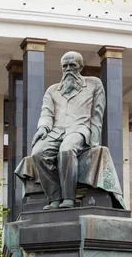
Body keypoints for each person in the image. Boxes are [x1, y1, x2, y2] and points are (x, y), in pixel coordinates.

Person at [31, 51, 105, 209]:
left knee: (66, 149)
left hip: (79, 129)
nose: (68, 69)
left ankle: (68, 198)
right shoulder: (52, 90)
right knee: (38, 152)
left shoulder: (94, 84)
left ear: (80, 67)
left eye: (72, 65)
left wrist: (94, 140)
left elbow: (97, 113)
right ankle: (54, 198)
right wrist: (43, 128)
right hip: (55, 131)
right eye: (65, 66)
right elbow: (47, 113)